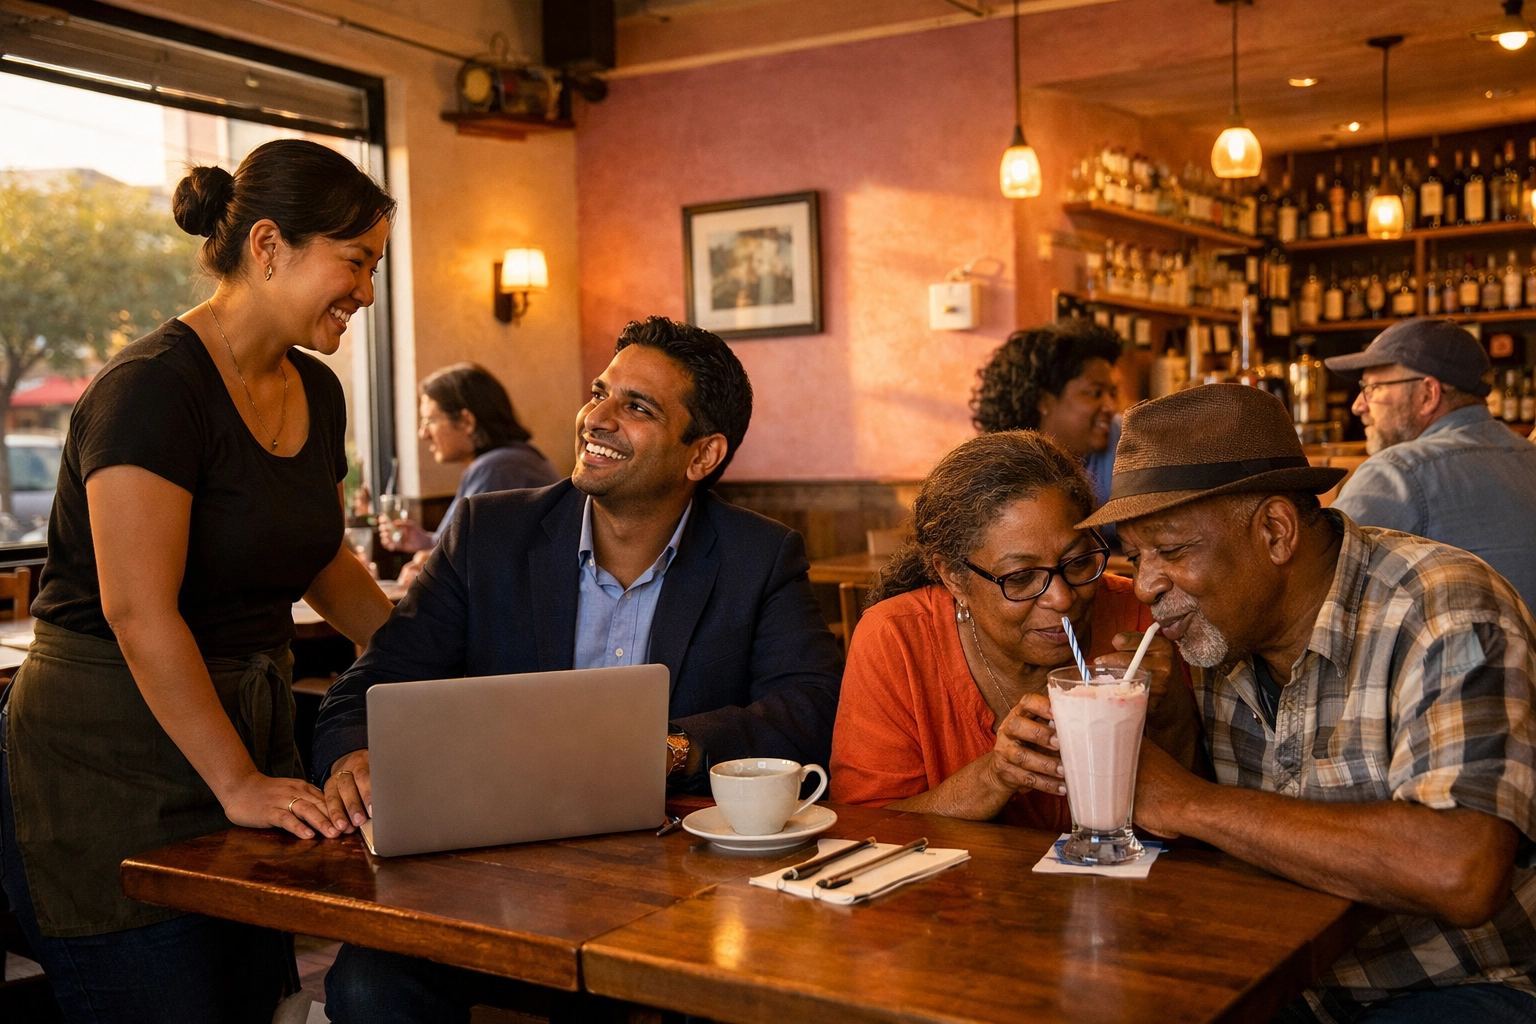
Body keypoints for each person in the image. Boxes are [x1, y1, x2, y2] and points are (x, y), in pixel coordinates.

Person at [314, 315, 844, 1023]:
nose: (597, 416)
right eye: (600, 392)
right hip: (489, 874)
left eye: (638, 406)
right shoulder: (486, 535)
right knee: (366, 986)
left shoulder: (760, 557)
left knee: (727, 994)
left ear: (703, 455)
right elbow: (373, 683)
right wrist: (352, 753)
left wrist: (672, 750)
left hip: (681, 884)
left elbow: (807, 709)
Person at [0, 140, 397, 1023]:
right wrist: (238, 784)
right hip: (112, 758)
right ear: (267, 247)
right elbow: (137, 610)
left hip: (244, 737)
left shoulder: (317, 392)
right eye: (356, 261)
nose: (367, 292)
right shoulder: (149, 390)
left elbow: (319, 556)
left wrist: (415, 646)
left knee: (251, 1000)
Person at [1082, 384, 1536, 1022]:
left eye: (1173, 550)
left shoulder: (1444, 611)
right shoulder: (1219, 633)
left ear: (1274, 531)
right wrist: (1174, 730)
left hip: (1459, 987)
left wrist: (1183, 797)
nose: (1149, 584)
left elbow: (1461, 867)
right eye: (1136, 556)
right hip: (1285, 981)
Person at [830, 430, 1200, 829]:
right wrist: (993, 777)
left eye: (1077, 564)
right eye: (1021, 576)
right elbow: (863, 828)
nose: (1061, 598)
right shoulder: (897, 639)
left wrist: (1171, 709)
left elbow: (1196, 824)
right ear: (954, 577)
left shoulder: (1140, 618)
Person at [1324, 317, 1536, 612]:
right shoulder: (1529, 457)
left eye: (1371, 388)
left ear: (1428, 395)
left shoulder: (1396, 473)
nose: (1358, 405)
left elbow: (1316, 593)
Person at [380, 362, 560, 584]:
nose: (422, 433)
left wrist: (427, 566)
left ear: (466, 421)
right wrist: (425, 541)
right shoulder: (512, 461)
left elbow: (461, 564)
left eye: (429, 420)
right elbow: (468, 548)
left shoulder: (497, 469)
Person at [971, 321, 1123, 512]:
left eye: (1113, 393)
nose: (1111, 407)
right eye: (1095, 393)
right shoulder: (1001, 474)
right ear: (1043, 400)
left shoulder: (1128, 443)